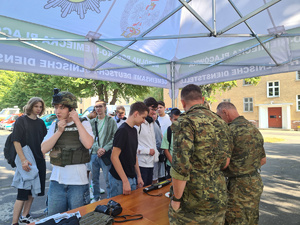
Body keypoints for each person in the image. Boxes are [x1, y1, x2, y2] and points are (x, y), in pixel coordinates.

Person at [169, 84, 232, 225]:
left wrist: (176, 199)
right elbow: (226, 162)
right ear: (203, 99)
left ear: (183, 102)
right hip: (219, 193)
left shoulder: (185, 122)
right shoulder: (221, 122)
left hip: (194, 200)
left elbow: (181, 167)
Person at [41, 89, 94, 215]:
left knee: (77, 219)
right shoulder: (55, 125)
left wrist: (77, 121)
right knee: (54, 219)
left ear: (71, 109)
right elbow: (43, 149)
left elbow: (88, 144)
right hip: (57, 182)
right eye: (56, 107)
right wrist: (59, 131)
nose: (57, 111)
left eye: (61, 108)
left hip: (78, 183)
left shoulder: (84, 122)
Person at [216, 101, 267, 225]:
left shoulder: (229, 131)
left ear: (225, 112)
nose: (220, 120)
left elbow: (224, 164)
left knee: (235, 220)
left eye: (219, 116)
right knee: (251, 219)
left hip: (237, 187)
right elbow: (263, 160)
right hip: (255, 182)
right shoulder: (254, 129)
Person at [11, 97, 47, 225]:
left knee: (33, 192)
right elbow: (16, 141)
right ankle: (14, 222)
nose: (38, 109)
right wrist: (23, 160)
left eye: (40, 107)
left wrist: (43, 154)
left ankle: (25, 216)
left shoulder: (41, 123)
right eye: (36, 106)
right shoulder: (21, 120)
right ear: (30, 106)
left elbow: (44, 141)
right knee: (22, 192)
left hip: (39, 160)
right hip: (27, 161)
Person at [109, 102, 148, 197]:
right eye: (143, 117)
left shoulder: (134, 130)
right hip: (119, 180)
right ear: (136, 114)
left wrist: (139, 176)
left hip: (131, 177)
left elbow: (133, 154)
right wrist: (125, 181)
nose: (144, 121)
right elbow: (114, 157)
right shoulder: (122, 131)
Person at [90, 100, 117, 202]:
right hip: (94, 153)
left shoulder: (111, 121)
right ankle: (96, 197)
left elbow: (114, 137)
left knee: (107, 178)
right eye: (96, 107)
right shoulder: (92, 122)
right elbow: (90, 138)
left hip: (106, 154)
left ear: (105, 107)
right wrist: (97, 149)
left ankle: (110, 198)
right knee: (94, 179)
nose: (98, 109)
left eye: (100, 106)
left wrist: (104, 149)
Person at [136, 97, 159, 186]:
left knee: (149, 190)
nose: (154, 112)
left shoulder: (151, 123)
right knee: (141, 192)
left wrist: (156, 156)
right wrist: (147, 151)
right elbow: (132, 146)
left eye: (155, 110)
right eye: (152, 109)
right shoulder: (138, 124)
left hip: (151, 163)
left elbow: (153, 142)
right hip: (141, 164)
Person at [160, 108, 181, 179]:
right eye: (175, 119)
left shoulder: (184, 131)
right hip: (171, 165)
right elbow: (166, 150)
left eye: (179, 119)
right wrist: (174, 164)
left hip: (183, 165)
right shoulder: (168, 131)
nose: (177, 122)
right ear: (170, 119)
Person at [151, 111, 164, 183]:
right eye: (152, 114)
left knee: (155, 178)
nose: (153, 116)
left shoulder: (156, 123)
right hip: (152, 154)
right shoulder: (152, 124)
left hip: (156, 154)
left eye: (155, 114)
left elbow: (159, 140)